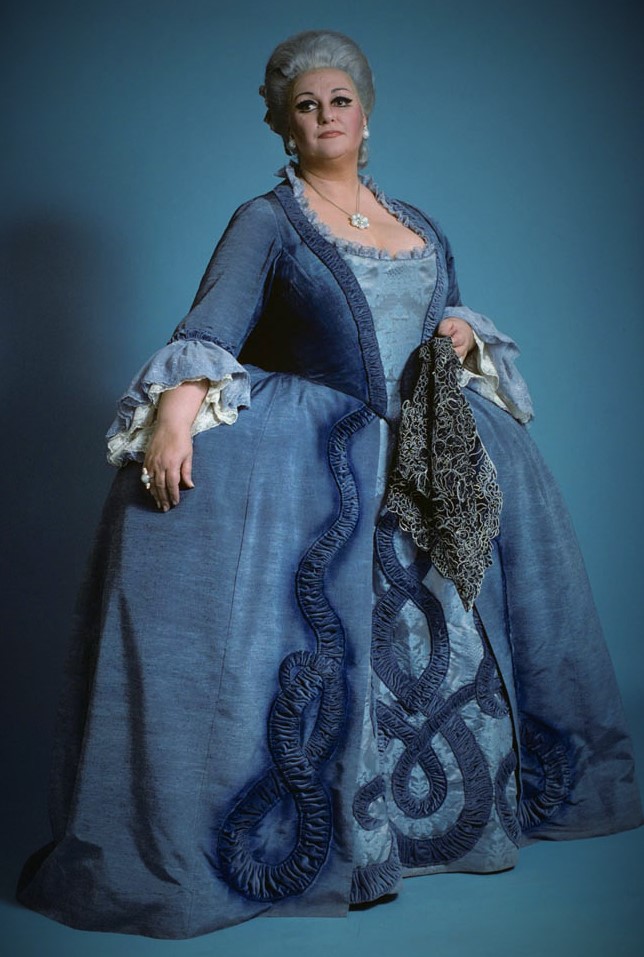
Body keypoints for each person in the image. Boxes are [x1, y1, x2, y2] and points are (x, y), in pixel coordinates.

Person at [17, 29, 641, 940]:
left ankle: (436, 826)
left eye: (339, 100)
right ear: (284, 122)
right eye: (306, 105)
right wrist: (177, 417)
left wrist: (461, 332)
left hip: (426, 456)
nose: (325, 116)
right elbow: (212, 326)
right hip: (318, 460)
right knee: (326, 638)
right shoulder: (267, 220)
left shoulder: (419, 222)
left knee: (444, 629)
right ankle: (346, 834)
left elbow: (442, 307)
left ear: (366, 112)